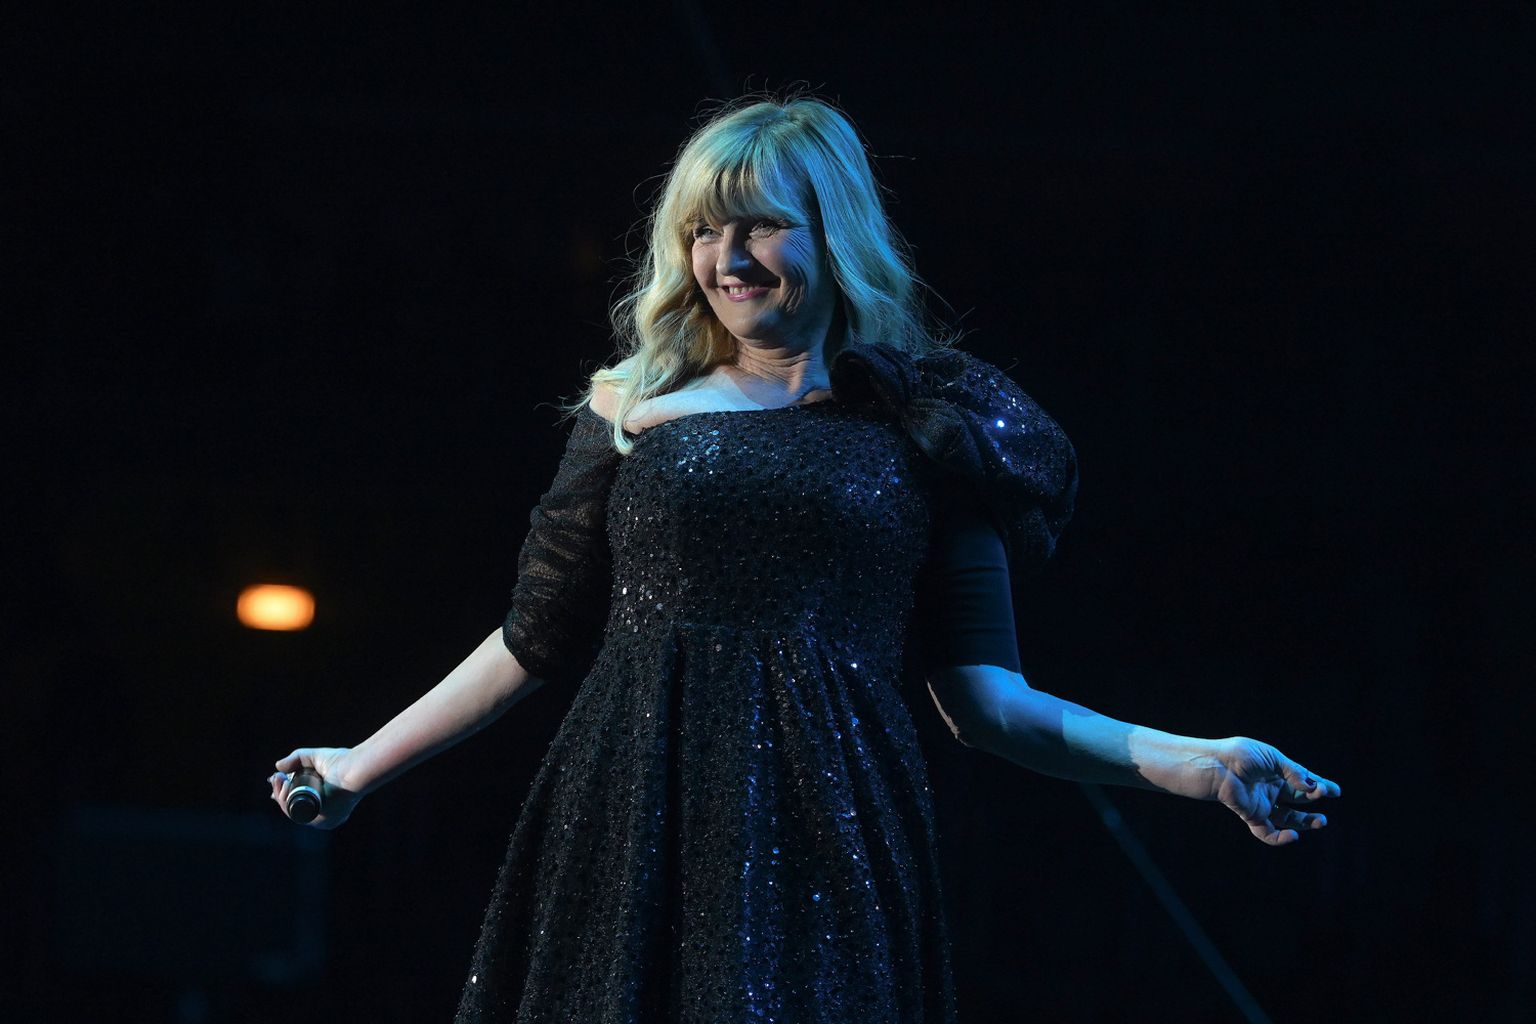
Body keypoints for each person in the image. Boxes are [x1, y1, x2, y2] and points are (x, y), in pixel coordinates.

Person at [268, 95, 1340, 1023]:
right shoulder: (631, 411)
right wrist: (359, 764)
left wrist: (1201, 762)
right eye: (703, 232)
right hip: (636, 811)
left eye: (762, 227)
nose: (728, 261)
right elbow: (529, 641)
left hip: (830, 831)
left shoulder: (929, 429)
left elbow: (992, 705)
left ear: (836, 232)